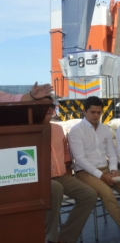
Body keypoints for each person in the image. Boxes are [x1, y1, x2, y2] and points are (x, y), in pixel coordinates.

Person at [68, 96, 120, 230]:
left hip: (106, 169)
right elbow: (80, 159)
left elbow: (112, 153)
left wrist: (113, 169)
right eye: (92, 112)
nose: (96, 115)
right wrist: (102, 176)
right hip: (84, 173)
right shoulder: (76, 130)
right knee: (107, 194)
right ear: (84, 111)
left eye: (99, 112)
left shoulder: (105, 129)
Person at [42, 97, 97, 243]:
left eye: (51, 106)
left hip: (61, 175)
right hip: (40, 179)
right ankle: (50, 238)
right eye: (44, 106)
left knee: (89, 194)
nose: (49, 109)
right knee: (56, 189)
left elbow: (66, 153)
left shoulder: (58, 128)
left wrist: (68, 169)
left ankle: (65, 238)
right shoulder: (28, 131)